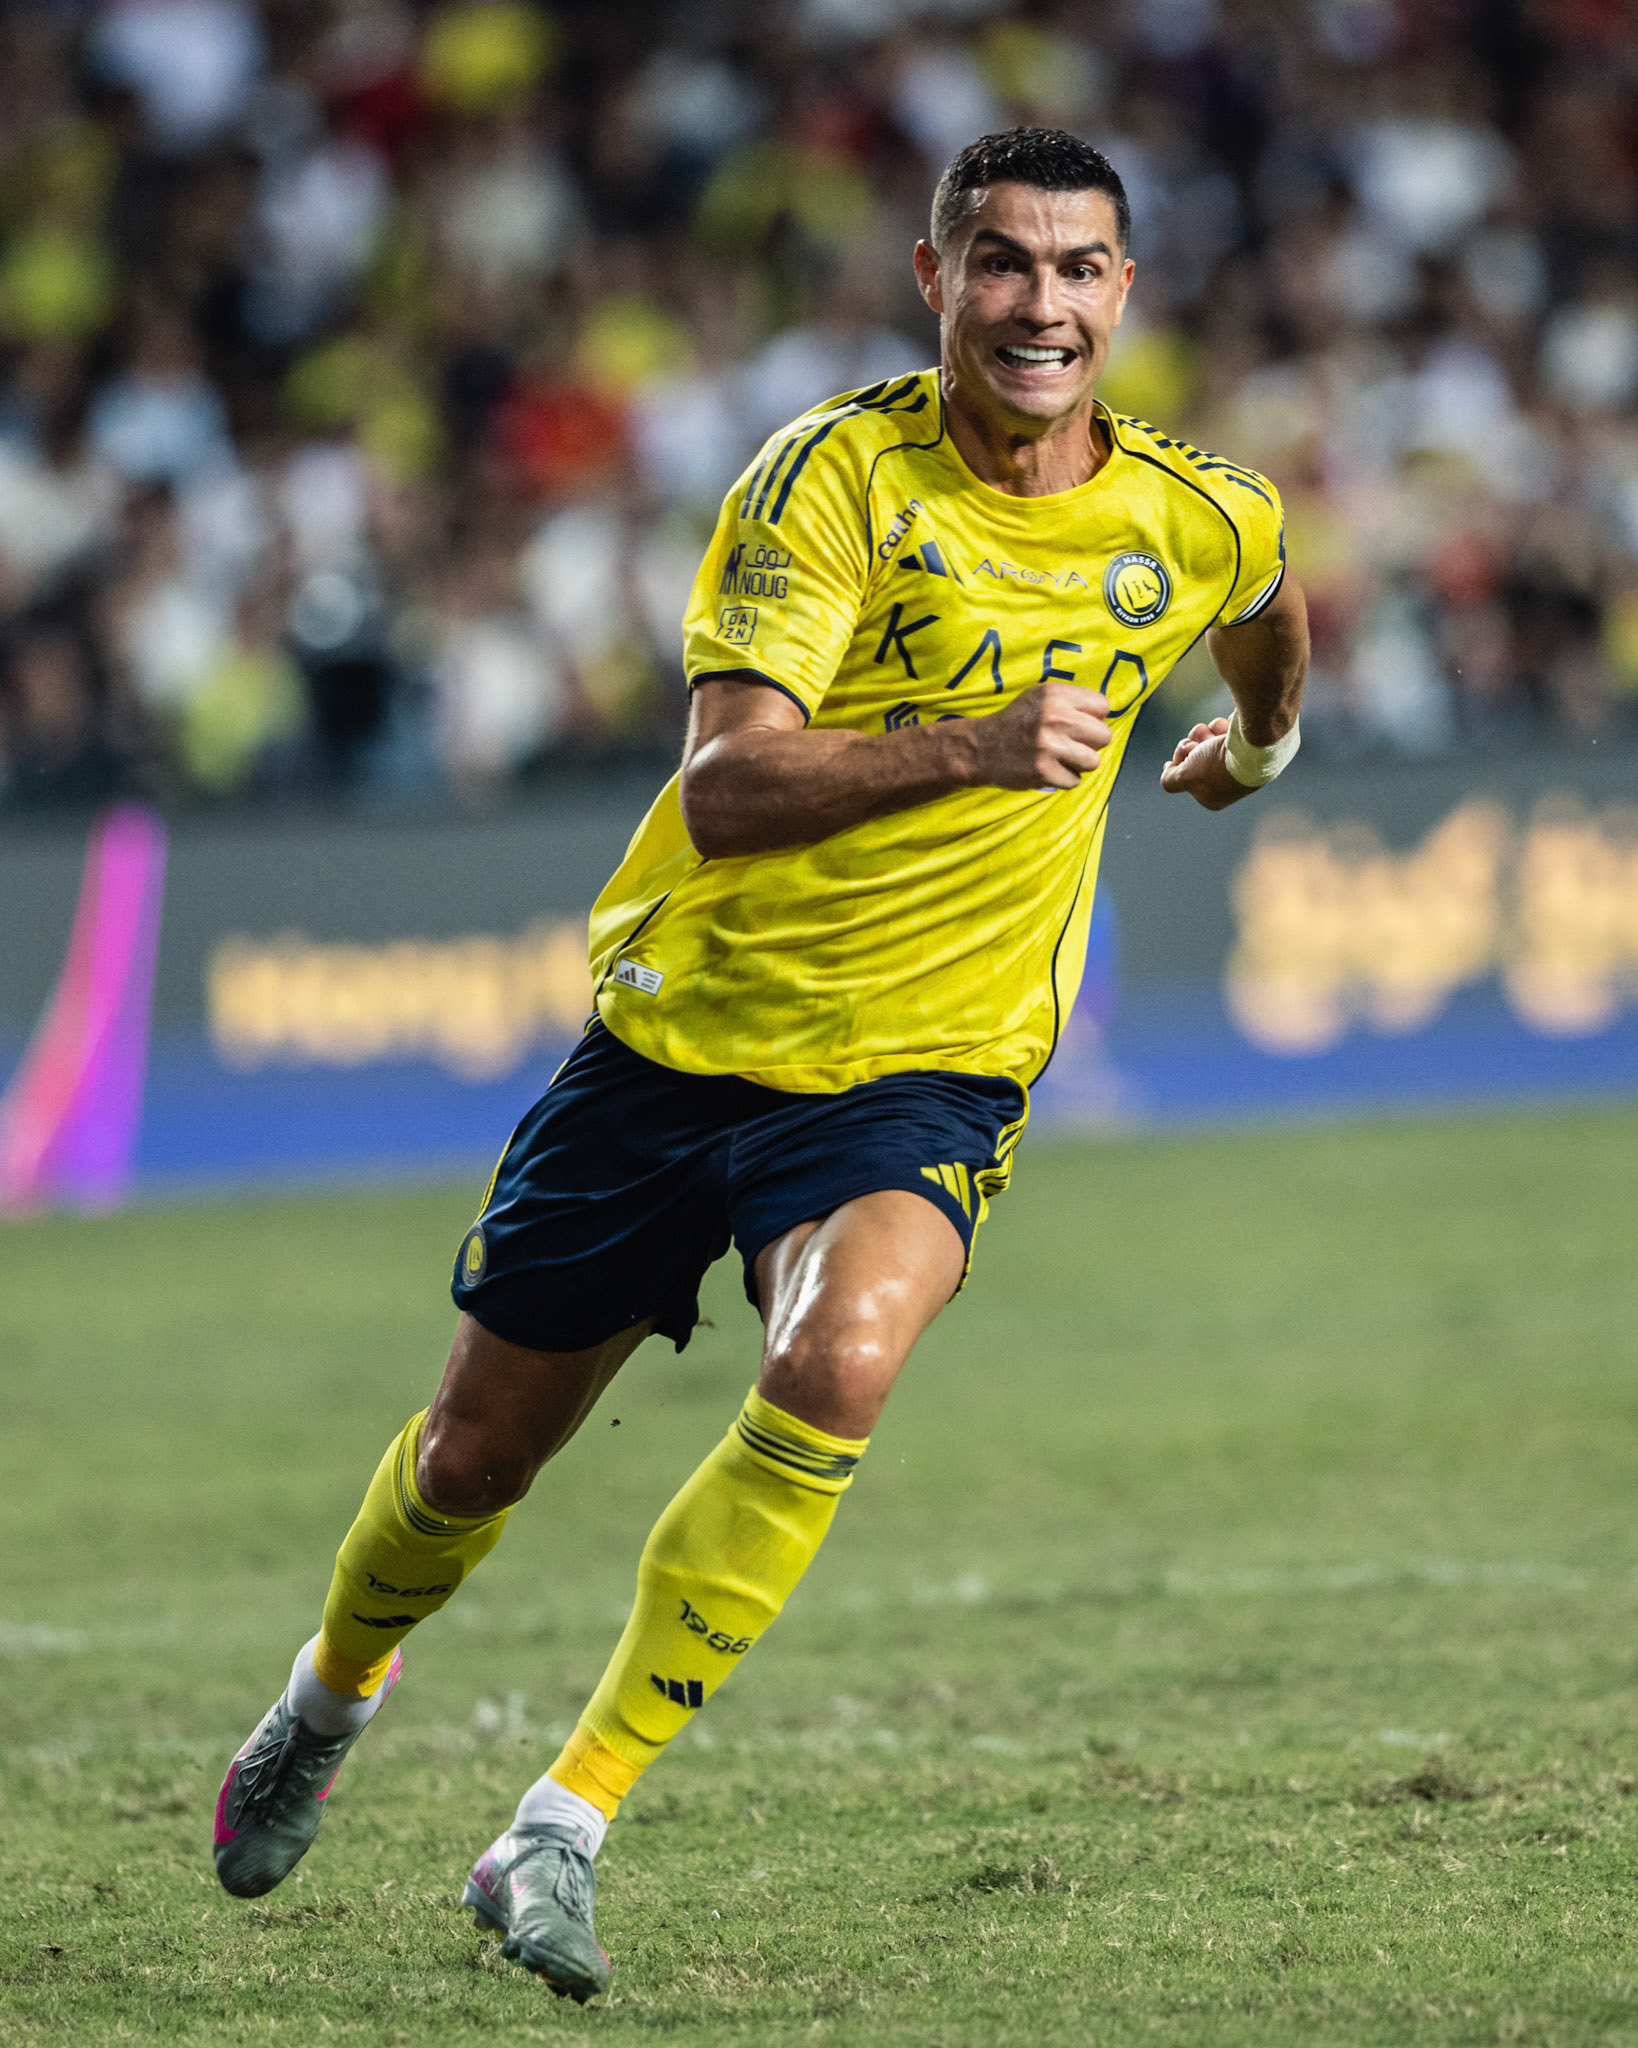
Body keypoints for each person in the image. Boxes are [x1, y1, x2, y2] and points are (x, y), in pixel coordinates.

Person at [211, 127, 1308, 2002]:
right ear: (933, 278)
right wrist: (972, 745)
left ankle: (561, 1820)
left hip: (928, 1068)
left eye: (1077, 268)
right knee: (475, 1460)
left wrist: (1256, 750)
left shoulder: (1192, 510)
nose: (1040, 303)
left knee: (844, 1355)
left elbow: (1266, 616)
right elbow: (724, 790)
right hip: (679, 1045)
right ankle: (325, 1699)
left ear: (1123, 292)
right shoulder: (825, 483)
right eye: (1003, 265)